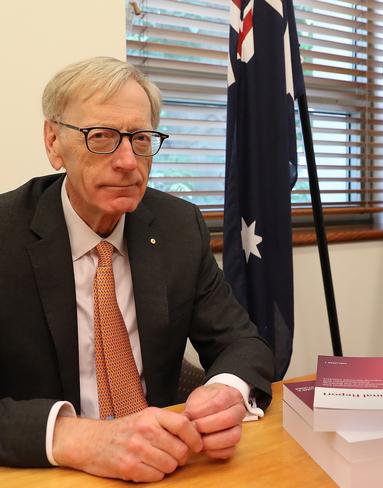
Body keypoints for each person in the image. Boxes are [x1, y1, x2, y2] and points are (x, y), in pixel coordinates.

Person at [0, 57, 274, 481]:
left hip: (165, 465)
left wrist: (228, 392)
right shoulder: (5, 234)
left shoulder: (178, 225)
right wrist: (77, 438)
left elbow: (241, 341)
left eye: (141, 138)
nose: (128, 161)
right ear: (53, 142)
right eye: (102, 137)